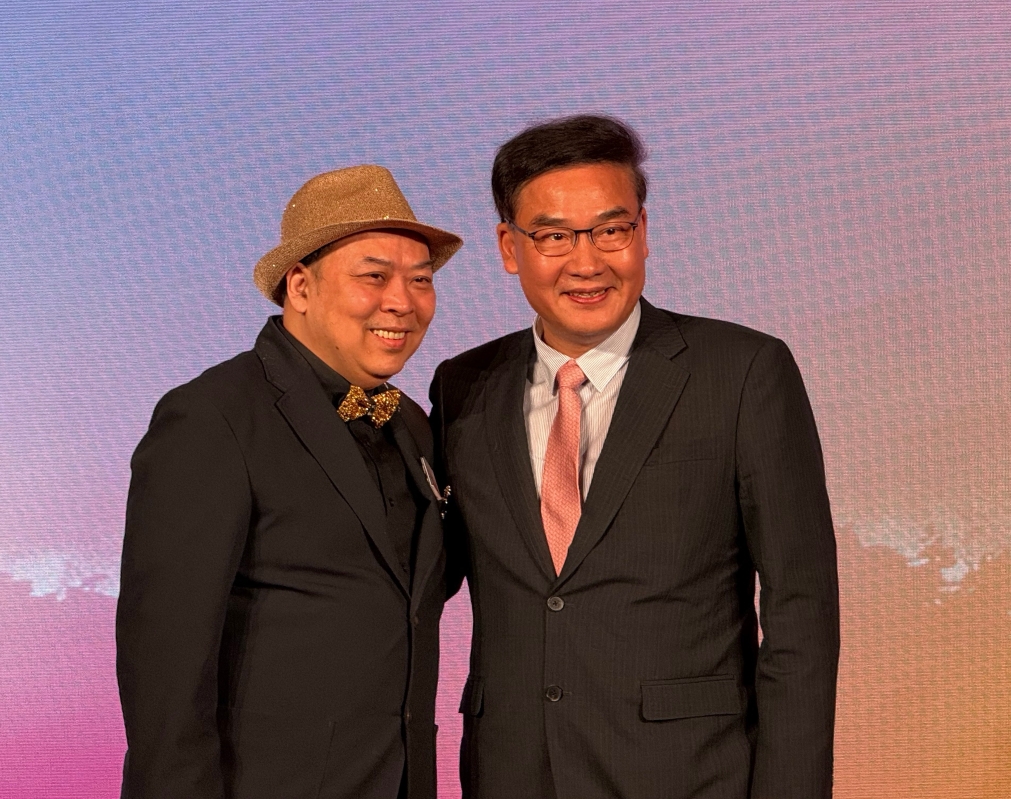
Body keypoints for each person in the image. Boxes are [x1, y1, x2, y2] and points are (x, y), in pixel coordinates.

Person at [430, 116, 840, 799]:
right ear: (509, 247)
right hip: (511, 771)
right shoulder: (462, 385)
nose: (586, 262)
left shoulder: (741, 372)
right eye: (554, 236)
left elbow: (803, 609)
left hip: (688, 774)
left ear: (642, 232)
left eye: (610, 230)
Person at [117, 165, 462, 799]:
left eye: (421, 280)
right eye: (374, 276)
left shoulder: (413, 423)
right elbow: (165, 661)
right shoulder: (212, 416)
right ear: (300, 287)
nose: (403, 302)